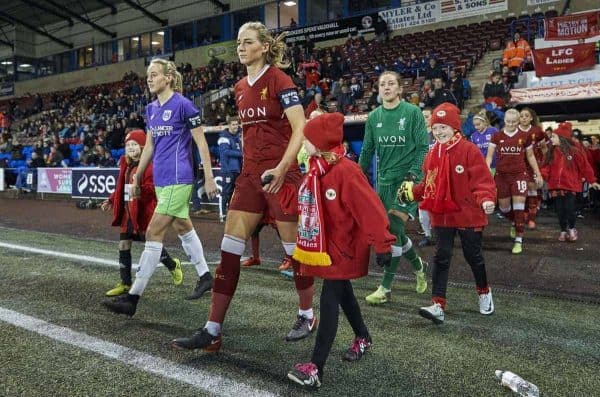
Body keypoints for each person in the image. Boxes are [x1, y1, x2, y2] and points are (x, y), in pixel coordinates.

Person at [170, 21, 315, 352]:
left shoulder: (280, 79)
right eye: (238, 42)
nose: (241, 46)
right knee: (229, 251)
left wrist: (281, 168)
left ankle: (307, 313)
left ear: (264, 47)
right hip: (250, 177)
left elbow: (300, 127)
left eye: (248, 42)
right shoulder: (238, 87)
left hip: (283, 175)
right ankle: (212, 329)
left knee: (295, 254)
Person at [287, 112, 396, 389]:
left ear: (320, 143)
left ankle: (316, 367)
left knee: (329, 300)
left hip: (345, 248)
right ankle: (363, 337)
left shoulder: (346, 171)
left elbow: (370, 209)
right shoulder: (316, 167)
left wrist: (382, 243)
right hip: (331, 246)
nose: (304, 143)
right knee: (342, 293)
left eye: (308, 139)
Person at [103, 58, 218, 316]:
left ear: (168, 78)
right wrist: (136, 177)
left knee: (152, 233)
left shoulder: (184, 105)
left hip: (180, 178)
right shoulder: (151, 109)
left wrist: (209, 176)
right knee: (182, 226)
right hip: (162, 180)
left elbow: (201, 143)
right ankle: (205, 276)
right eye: (148, 76)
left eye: (154, 75)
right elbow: (150, 147)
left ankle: (132, 298)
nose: (149, 79)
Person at [397, 103, 496, 324]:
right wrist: (413, 192)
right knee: (442, 257)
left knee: (474, 257)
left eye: (444, 127)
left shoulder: (469, 150)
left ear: (455, 128)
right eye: (436, 127)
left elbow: (482, 180)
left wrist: (486, 198)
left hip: (468, 213)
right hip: (442, 214)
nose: (439, 132)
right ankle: (438, 304)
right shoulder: (433, 154)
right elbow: (428, 183)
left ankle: (484, 291)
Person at [359, 70, 429, 305]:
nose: (386, 87)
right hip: (385, 183)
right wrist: (358, 176)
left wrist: (414, 175)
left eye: (391, 84)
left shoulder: (412, 113)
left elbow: (422, 147)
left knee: (392, 227)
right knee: (396, 232)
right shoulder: (373, 117)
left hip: (408, 182)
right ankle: (419, 266)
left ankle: (386, 288)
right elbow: (368, 150)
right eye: (382, 84)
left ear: (400, 89)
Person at [101, 130, 183, 297]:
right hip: (128, 212)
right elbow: (120, 186)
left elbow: (154, 189)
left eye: (134, 144)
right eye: (128, 145)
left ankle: (173, 265)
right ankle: (125, 283)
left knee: (151, 245)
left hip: (144, 211)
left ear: (143, 147)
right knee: (124, 244)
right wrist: (110, 200)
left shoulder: (151, 166)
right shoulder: (125, 163)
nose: (130, 147)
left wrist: (139, 190)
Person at [486, 109, 543, 254]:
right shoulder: (496, 136)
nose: (511, 124)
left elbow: (530, 156)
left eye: (514, 122)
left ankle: (519, 239)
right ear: (504, 121)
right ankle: (514, 222)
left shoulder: (525, 136)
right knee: (504, 208)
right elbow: (489, 157)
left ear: (518, 122)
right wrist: (485, 173)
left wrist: (538, 174)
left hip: (519, 175)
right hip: (502, 176)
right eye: (508, 121)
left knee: (519, 206)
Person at [541, 122, 600, 241]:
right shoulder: (551, 152)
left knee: (570, 209)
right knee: (560, 211)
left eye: (554, 136)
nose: (551, 139)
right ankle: (563, 231)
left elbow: (585, 167)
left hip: (570, 186)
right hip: (555, 187)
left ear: (562, 138)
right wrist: (542, 176)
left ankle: (572, 228)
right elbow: (545, 167)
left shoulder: (575, 151)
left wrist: (592, 181)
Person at [519, 108, 545, 230]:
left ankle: (531, 219)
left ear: (531, 118)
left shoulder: (537, 131)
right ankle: (523, 215)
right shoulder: (514, 131)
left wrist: (542, 164)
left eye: (526, 116)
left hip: (532, 166)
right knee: (521, 192)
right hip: (518, 166)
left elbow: (544, 148)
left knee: (532, 192)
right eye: (521, 115)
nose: (523, 117)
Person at [418, 107, 435, 247]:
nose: (424, 119)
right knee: (422, 206)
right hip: (423, 176)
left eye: (427, 116)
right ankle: (427, 235)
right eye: (422, 116)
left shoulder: (439, 133)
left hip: (439, 175)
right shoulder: (417, 134)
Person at [218, 117, 242, 218]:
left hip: (237, 169)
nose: (235, 126)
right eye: (233, 124)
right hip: (228, 170)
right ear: (229, 125)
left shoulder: (238, 136)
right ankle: (222, 213)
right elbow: (225, 152)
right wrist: (242, 154)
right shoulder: (224, 137)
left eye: (237, 124)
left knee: (234, 192)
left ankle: (231, 212)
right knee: (226, 192)